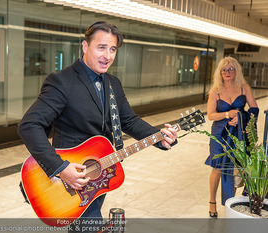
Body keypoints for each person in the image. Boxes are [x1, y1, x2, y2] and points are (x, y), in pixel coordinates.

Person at [18, 21, 177, 231]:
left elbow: (128, 120)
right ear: (85, 47)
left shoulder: (113, 84)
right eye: (101, 47)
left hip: (100, 173)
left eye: (112, 50)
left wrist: (159, 136)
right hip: (70, 179)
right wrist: (61, 168)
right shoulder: (62, 81)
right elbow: (29, 125)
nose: (108, 56)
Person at [205, 56, 259, 218]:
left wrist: (242, 117)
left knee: (234, 169)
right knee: (217, 168)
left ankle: (229, 203)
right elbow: (210, 115)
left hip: (238, 134)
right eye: (224, 70)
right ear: (220, 73)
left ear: (236, 71)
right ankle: (212, 202)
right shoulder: (215, 91)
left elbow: (254, 109)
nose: (227, 72)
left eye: (231, 69)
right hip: (220, 134)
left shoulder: (244, 88)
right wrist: (228, 114)